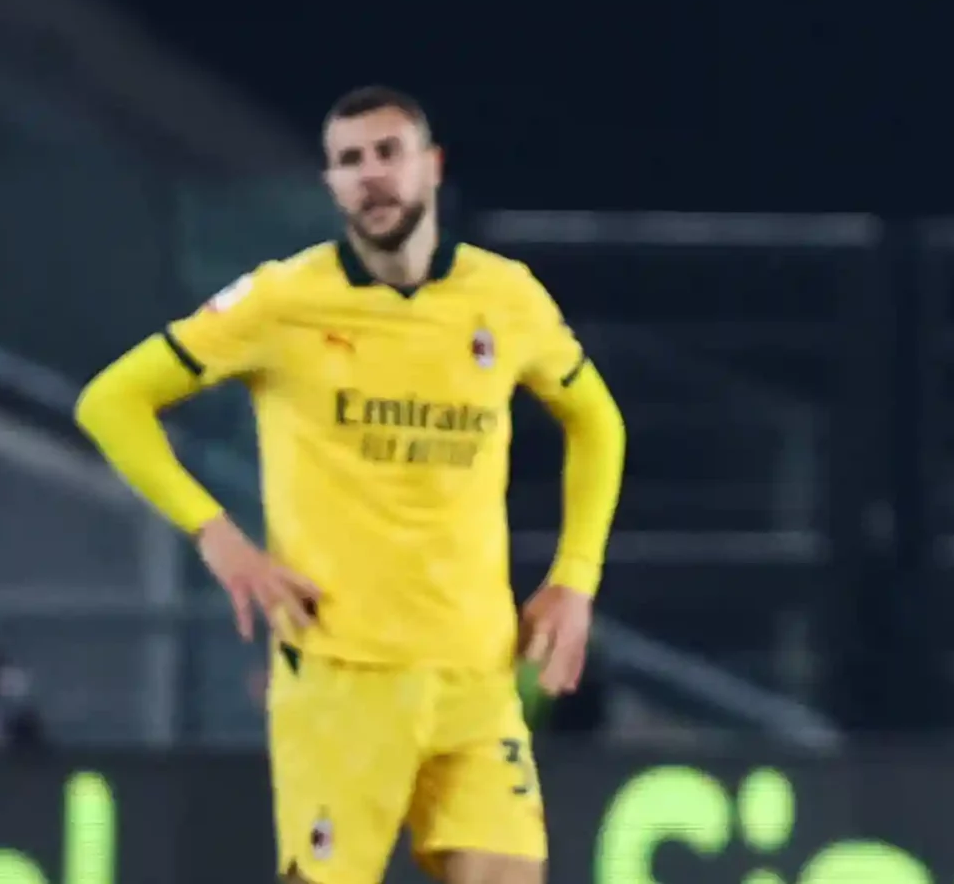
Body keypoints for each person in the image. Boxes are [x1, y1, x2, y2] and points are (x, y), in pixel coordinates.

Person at [73, 86, 627, 884]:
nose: (371, 175)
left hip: (476, 675)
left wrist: (576, 579)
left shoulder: (505, 298)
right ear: (332, 186)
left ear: (431, 168)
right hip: (342, 679)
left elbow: (599, 422)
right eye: (349, 161)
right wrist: (219, 537)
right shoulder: (281, 301)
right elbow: (111, 401)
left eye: (388, 153)